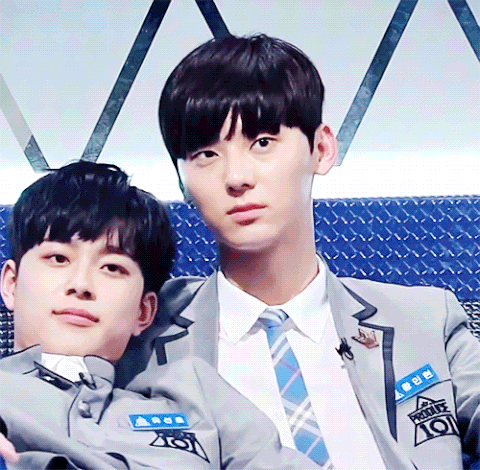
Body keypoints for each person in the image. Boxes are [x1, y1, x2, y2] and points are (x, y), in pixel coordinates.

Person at [119, 34, 480, 469]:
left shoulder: (426, 321)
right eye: (206, 153)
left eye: (262, 142)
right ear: (181, 181)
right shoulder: (133, 333)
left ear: (321, 149)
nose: (236, 177)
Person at [0, 161, 318, 469]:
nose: (81, 285)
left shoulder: (193, 398)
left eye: (112, 267)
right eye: (58, 258)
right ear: (11, 284)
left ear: (144, 311)